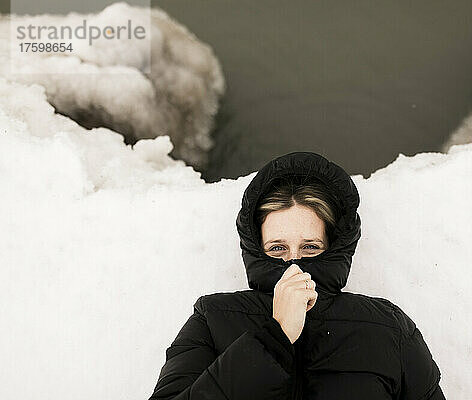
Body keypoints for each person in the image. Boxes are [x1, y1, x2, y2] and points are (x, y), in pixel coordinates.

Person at [148, 151, 445, 400]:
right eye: (277, 248)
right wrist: (273, 339)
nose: (293, 264)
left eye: (310, 247)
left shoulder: (388, 328)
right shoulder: (212, 319)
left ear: (334, 247)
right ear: (256, 249)